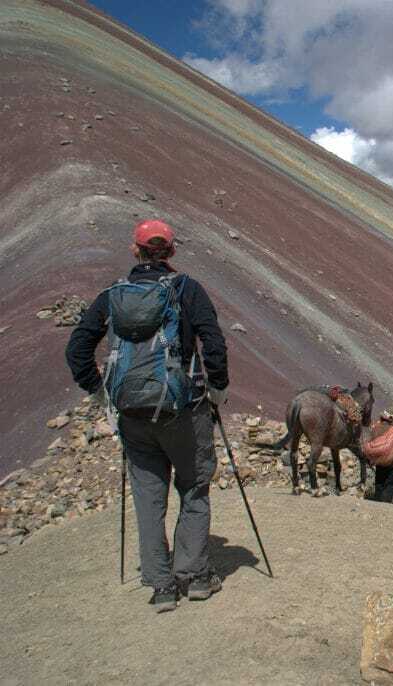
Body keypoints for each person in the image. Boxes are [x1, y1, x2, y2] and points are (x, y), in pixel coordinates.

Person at [65, 219, 228, 613]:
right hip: (184, 410)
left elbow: (77, 349)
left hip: (132, 415)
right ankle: (194, 577)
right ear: (171, 252)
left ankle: (161, 585)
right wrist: (217, 390)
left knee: (147, 497)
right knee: (193, 489)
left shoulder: (112, 296)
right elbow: (214, 341)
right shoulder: (187, 289)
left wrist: (98, 390)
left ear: (134, 250)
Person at [362, 409, 393, 503]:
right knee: (389, 489)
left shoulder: (374, 429)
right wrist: (391, 456)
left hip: (379, 468)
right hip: (391, 469)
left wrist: (372, 460)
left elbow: (367, 446)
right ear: (392, 421)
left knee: (379, 491)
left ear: (381, 418)